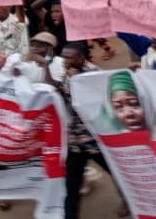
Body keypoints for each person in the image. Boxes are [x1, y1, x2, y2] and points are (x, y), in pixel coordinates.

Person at [51, 42, 120, 218]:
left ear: (81, 58)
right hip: (76, 139)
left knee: (119, 173)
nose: (65, 60)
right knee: (72, 184)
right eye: (64, 56)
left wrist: (75, 80)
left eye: (69, 57)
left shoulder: (93, 74)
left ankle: (133, 202)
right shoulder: (68, 72)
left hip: (96, 139)